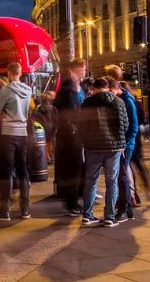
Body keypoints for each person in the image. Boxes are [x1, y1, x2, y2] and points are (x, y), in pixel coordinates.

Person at [79, 76, 127, 227]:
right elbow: (124, 124)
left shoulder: (87, 103)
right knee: (112, 182)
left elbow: (82, 127)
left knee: (91, 181)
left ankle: (87, 215)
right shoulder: (118, 102)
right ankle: (109, 217)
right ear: (107, 87)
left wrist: (86, 142)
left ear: (94, 88)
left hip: (93, 147)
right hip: (114, 149)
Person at [0, 62, 33, 221]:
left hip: (7, 133)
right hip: (23, 134)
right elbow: (27, 112)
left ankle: (4, 209)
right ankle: (25, 209)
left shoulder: (5, 90)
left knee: (6, 170)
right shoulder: (28, 90)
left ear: (8, 73)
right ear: (20, 73)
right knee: (23, 170)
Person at [53, 61, 86, 216]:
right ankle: (71, 202)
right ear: (75, 69)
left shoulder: (77, 87)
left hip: (77, 133)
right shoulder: (68, 88)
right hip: (70, 135)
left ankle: (74, 200)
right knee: (72, 168)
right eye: (83, 69)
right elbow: (63, 110)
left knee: (78, 167)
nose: (85, 71)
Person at [112, 80, 140, 222]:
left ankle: (124, 208)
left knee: (122, 177)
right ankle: (126, 208)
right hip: (120, 144)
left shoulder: (127, 101)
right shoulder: (120, 99)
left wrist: (125, 144)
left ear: (116, 88)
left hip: (126, 146)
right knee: (121, 176)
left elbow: (133, 127)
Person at [34, 91, 58, 163]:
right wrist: (55, 127)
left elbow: (35, 119)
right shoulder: (53, 108)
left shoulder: (39, 109)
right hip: (52, 129)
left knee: (44, 143)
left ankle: (46, 157)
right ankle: (51, 157)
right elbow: (57, 119)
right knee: (52, 143)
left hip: (43, 129)